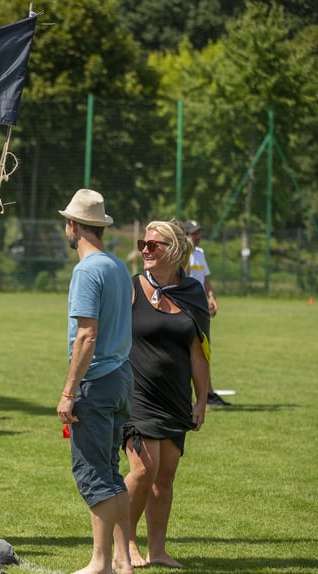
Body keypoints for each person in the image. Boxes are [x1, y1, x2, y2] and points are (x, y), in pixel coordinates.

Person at [55, 189, 134, 574]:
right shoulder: (117, 265)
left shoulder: (87, 270)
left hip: (97, 382)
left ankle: (101, 562)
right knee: (112, 471)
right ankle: (122, 560)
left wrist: (69, 392)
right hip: (121, 377)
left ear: (73, 226)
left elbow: (86, 335)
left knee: (94, 474)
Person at [124, 220, 210, 568]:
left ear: (174, 251)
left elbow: (199, 350)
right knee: (144, 469)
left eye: (154, 245)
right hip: (136, 392)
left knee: (165, 476)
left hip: (175, 396)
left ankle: (157, 550)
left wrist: (201, 398)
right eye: (144, 243)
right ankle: (125, 542)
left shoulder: (192, 292)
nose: (145, 249)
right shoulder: (130, 288)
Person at [183, 219, 229, 407]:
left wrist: (212, 298)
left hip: (200, 309)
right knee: (189, 352)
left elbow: (206, 280)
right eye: (194, 233)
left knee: (203, 350)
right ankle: (192, 397)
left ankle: (207, 394)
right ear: (185, 235)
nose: (197, 236)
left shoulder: (200, 253)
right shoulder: (183, 254)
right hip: (188, 309)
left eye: (198, 233)